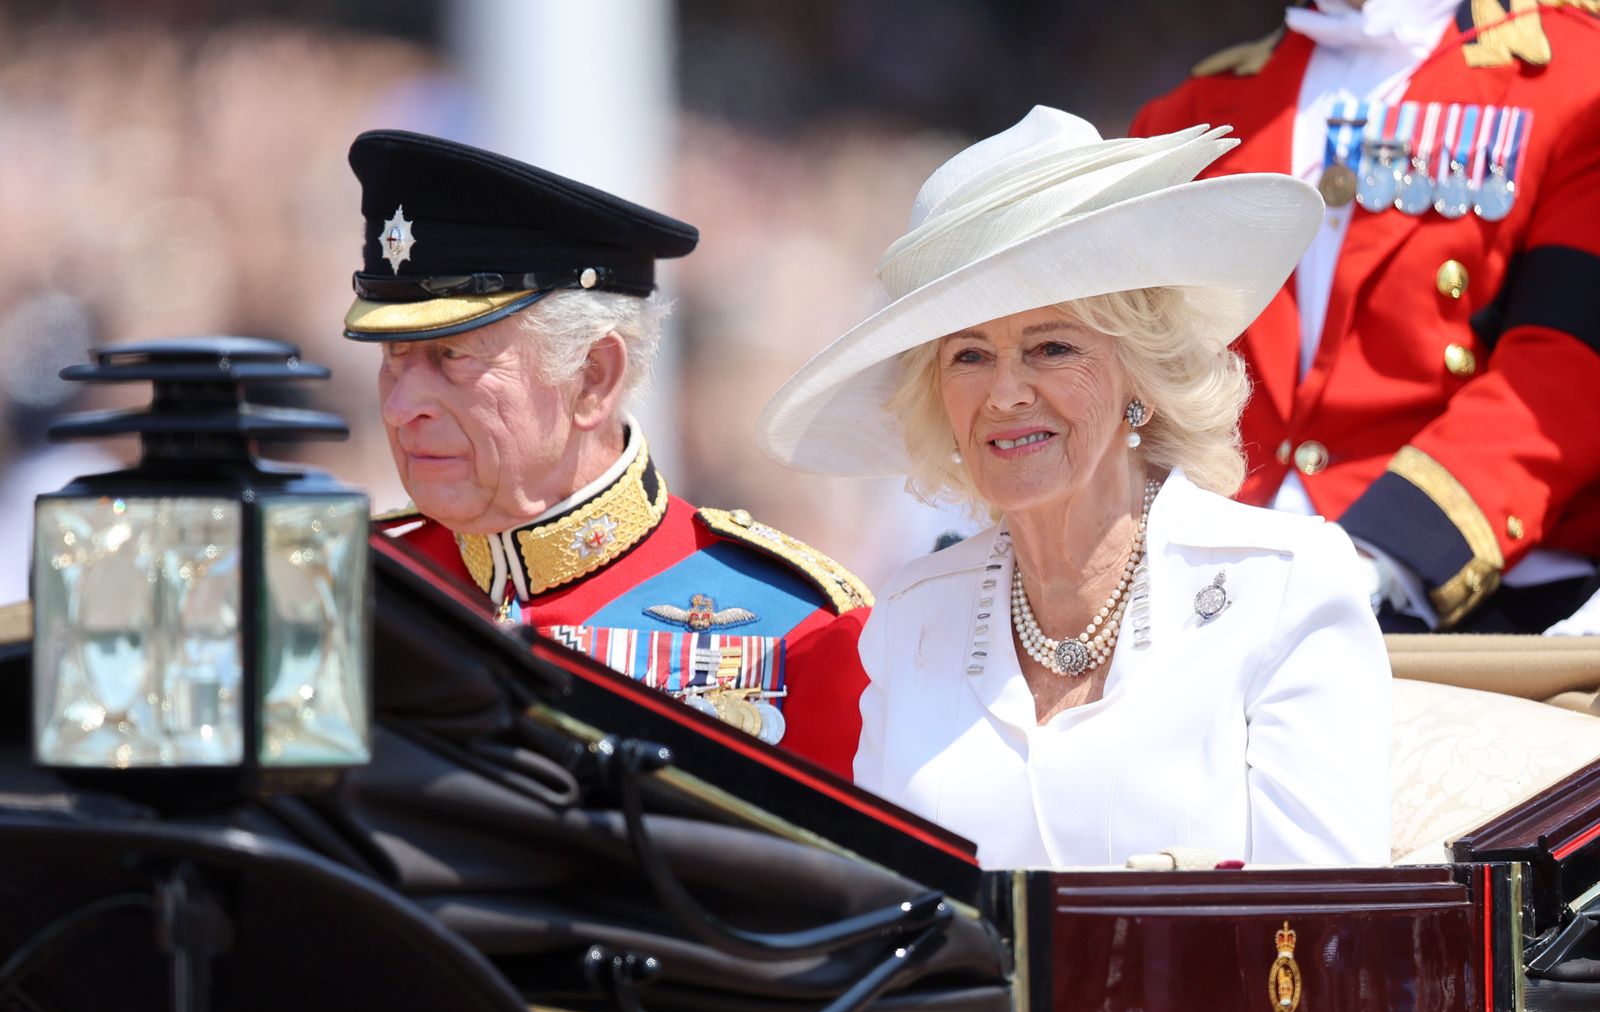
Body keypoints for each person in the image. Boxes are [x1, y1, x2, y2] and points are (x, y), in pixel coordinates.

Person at [757, 107, 1391, 868]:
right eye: (968, 356)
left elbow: (1334, 931)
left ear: (1141, 378)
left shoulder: (1284, 585)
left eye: (1051, 346)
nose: (1006, 393)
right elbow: (884, 909)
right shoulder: (912, 613)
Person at [343, 130, 870, 776]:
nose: (401, 407)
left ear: (593, 377)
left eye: (451, 356)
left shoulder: (799, 627)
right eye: (393, 356)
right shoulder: (345, 589)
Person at [1130, 0, 1600, 633]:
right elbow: (1129, 363)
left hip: (1463, 587)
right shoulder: (1195, 109)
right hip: (1219, 574)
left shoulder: (1576, 79)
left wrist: (1382, 550)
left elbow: (1565, 373)